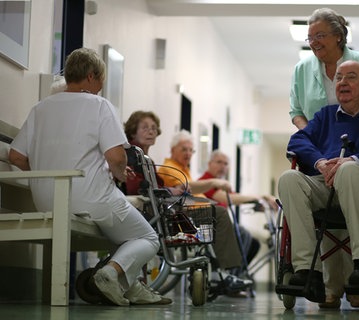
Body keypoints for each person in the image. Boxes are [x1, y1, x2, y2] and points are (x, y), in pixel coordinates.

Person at [8, 48, 170, 306]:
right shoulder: (100, 105)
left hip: (45, 200)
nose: (101, 87)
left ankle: (131, 288)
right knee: (147, 237)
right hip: (91, 199)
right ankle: (109, 273)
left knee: (125, 232)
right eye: (101, 81)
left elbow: (15, 156)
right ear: (92, 76)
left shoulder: (41, 108)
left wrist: (44, 173)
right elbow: (117, 157)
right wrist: (118, 173)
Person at [288, 7, 359, 309]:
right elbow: (297, 116)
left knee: (349, 178)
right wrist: (318, 147)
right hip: (324, 152)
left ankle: (357, 277)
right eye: (309, 37)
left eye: (320, 35)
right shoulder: (305, 74)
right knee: (312, 194)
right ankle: (322, 281)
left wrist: (357, 156)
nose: (313, 41)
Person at [156, 130, 253, 292]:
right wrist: (214, 183)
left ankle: (224, 273)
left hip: (192, 211)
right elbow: (185, 188)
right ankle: (221, 274)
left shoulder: (183, 169)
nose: (188, 153)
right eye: (183, 149)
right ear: (173, 150)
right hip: (181, 215)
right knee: (220, 214)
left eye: (190, 150)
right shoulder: (170, 168)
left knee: (232, 224)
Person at [198, 149, 278, 264]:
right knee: (243, 234)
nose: (222, 166)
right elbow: (229, 198)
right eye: (219, 162)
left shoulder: (221, 184)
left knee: (254, 244)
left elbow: (237, 197)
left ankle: (238, 273)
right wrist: (261, 197)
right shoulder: (206, 182)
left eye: (226, 164)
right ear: (210, 164)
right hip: (212, 228)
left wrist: (262, 205)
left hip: (221, 226)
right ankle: (232, 272)